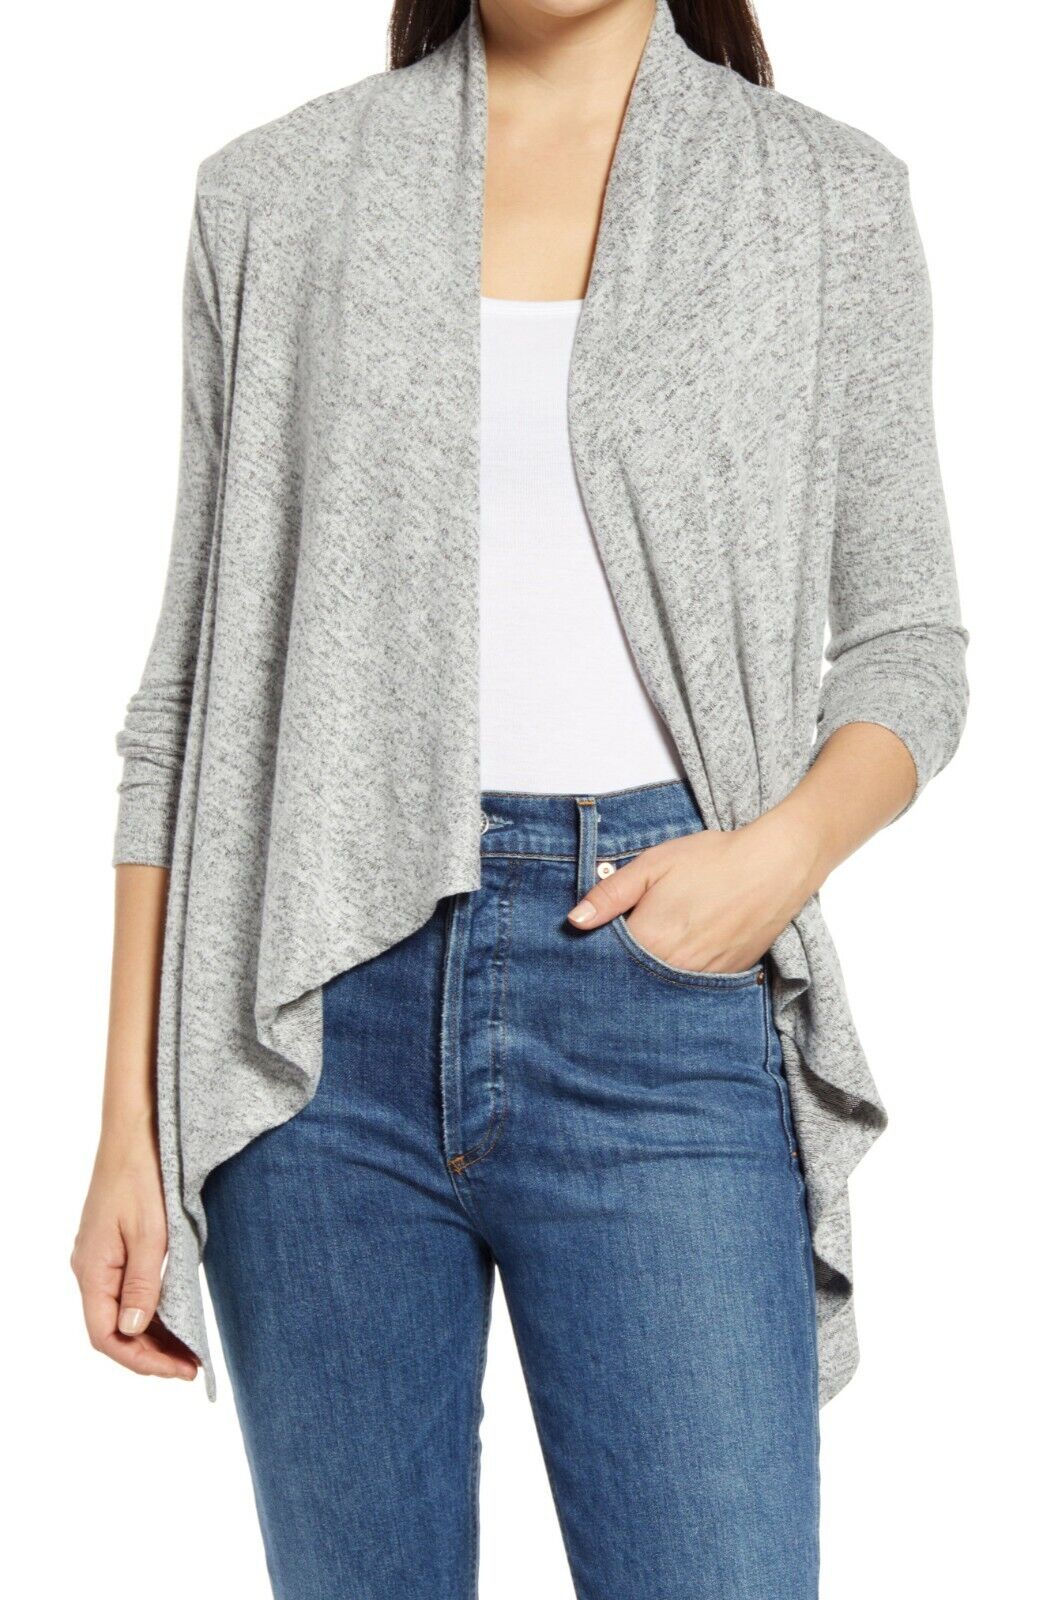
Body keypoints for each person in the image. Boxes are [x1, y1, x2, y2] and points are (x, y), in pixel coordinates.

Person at [72, 1, 968, 1595]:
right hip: (314, 1027)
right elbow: (186, 701)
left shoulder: (823, 199)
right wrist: (126, 1131)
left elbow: (908, 647)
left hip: (660, 998)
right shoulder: (278, 195)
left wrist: (776, 861)